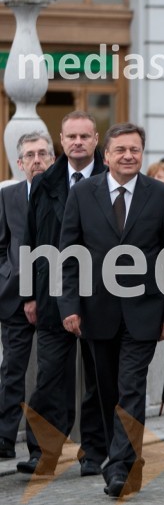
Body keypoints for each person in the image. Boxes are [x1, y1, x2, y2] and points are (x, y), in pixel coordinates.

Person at [58, 122, 164, 498]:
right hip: (97, 311)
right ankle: (124, 459)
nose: (128, 156)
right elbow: (69, 256)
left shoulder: (161, 195)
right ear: (107, 155)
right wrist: (70, 305)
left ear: (142, 153)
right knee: (108, 390)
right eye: (121, 150)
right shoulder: (82, 194)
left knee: (130, 388)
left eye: (135, 150)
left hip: (145, 312)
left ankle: (121, 467)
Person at [21, 111, 107, 477]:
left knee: (98, 377)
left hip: (102, 292)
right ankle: (43, 453)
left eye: (84, 136)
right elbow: (29, 240)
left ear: (96, 139)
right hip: (52, 293)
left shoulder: (112, 178)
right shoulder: (45, 182)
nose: (78, 142)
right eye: (71, 136)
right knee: (49, 376)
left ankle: (95, 452)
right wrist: (28, 294)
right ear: (61, 139)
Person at [0, 132, 53, 459]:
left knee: (49, 374)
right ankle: (4, 438)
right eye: (30, 155)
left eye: (42, 154)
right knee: (11, 370)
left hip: (54, 298)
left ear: (52, 159)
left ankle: (42, 445)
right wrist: (6, 275)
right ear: (20, 163)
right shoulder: (8, 197)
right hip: (13, 299)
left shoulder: (66, 196)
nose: (37, 160)